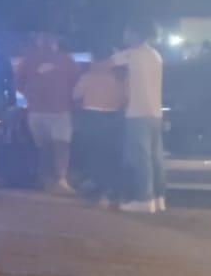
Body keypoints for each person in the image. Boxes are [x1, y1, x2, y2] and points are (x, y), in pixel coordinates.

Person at [15, 31, 80, 195]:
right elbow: (18, 82)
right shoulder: (29, 60)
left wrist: (70, 100)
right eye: (42, 38)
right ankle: (46, 179)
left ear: (56, 41)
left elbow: (76, 82)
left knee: (61, 145)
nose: (46, 42)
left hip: (61, 111)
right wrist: (30, 95)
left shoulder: (66, 60)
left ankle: (61, 180)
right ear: (38, 41)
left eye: (49, 39)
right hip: (37, 111)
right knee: (44, 147)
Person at [113, 20, 166, 213]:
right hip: (155, 112)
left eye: (127, 32)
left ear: (136, 34)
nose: (124, 36)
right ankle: (159, 198)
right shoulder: (156, 55)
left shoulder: (131, 54)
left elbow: (106, 64)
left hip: (137, 112)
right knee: (155, 157)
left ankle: (144, 199)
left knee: (140, 158)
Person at [72, 45, 127, 205]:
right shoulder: (119, 75)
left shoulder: (89, 75)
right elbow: (126, 97)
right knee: (110, 155)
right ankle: (111, 190)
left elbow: (75, 94)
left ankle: (96, 190)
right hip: (113, 116)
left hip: (92, 117)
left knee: (94, 155)